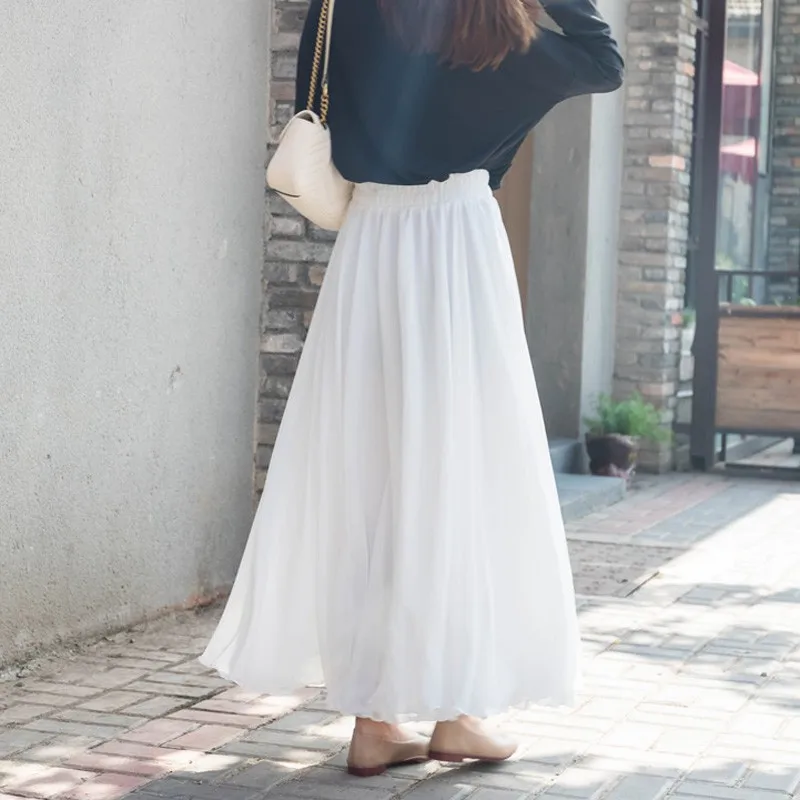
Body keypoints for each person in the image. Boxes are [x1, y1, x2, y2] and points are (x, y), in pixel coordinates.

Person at [201, 0, 624, 778]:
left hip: (373, 243)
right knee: (461, 474)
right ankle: (457, 714)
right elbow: (603, 61)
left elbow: (319, 97)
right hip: (459, 244)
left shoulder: (347, 6)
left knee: (372, 477)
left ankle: (375, 722)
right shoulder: (495, 23)